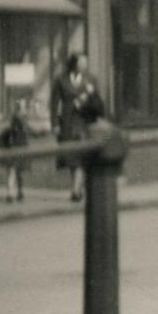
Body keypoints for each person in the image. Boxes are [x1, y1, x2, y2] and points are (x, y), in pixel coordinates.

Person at [51, 52, 104, 202]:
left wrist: (88, 97)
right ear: (74, 64)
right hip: (67, 123)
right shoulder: (60, 79)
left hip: (84, 123)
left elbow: (98, 102)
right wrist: (54, 123)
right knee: (71, 157)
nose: (84, 65)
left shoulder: (91, 79)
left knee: (80, 157)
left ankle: (76, 191)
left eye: (85, 62)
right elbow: (54, 103)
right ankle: (78, 187)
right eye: (81, 62)